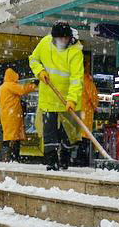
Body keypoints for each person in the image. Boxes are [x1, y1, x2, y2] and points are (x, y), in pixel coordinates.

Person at [28, 22, 85, 170]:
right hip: (48, 97)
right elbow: (33, 59)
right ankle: (51, 161)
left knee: (70, 133)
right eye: (58, 39)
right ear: (53, 37)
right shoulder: (45, 43)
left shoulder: (75, 52)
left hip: (68, 100)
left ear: (69, 38)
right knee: (49, 132)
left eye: (65, 39)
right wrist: (39, 71)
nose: (61, 42)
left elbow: (76, 79)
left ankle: (64, 158)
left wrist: (72, 99)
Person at [0, 68, 36, 162]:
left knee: (8, 136)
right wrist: (34, 84)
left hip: (6, 114)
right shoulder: (10, 85)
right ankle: (12, 157)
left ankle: (7, 156)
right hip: (13, 115)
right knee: (13, 137)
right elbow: (23, 90)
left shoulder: (1, 87)